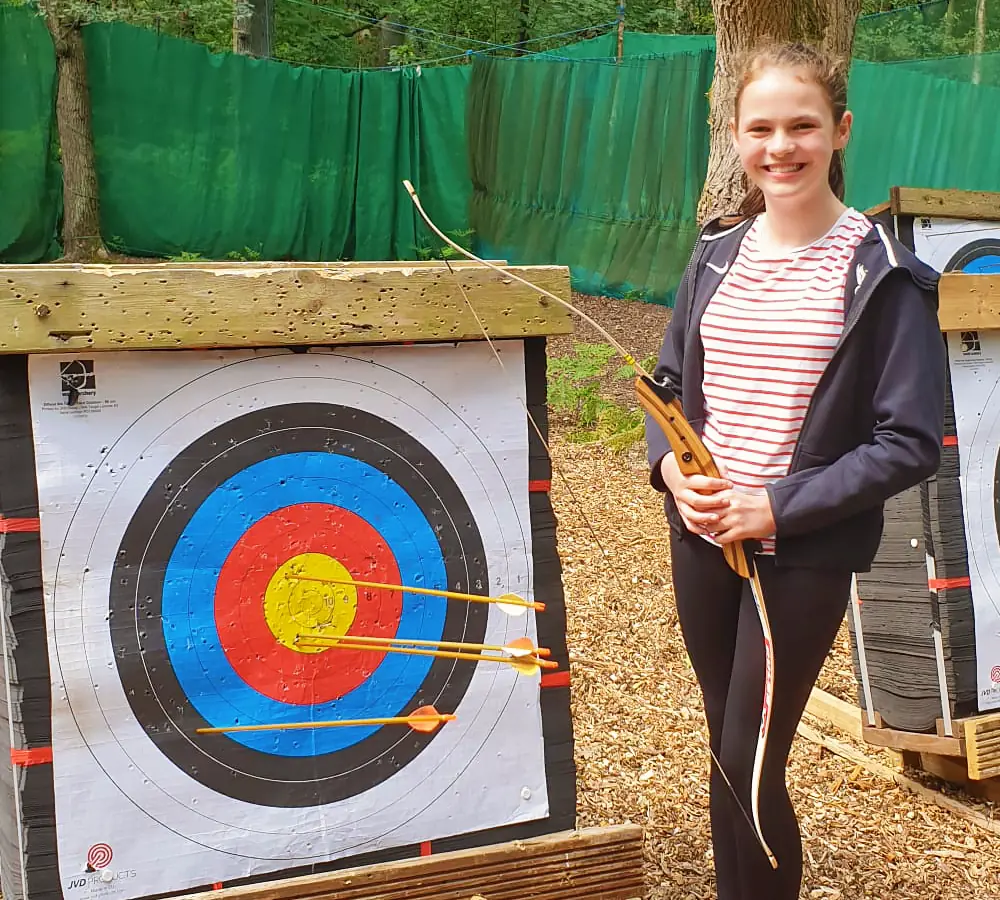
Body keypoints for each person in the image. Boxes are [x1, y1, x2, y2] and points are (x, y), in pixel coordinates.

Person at [643, 41, 946, 900]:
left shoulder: (884, 278)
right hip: (702, 537)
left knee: (749, 755)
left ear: (839, 131)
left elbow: (908, 440)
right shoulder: (714, 257)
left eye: (802, 126)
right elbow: (668, 390)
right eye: (761, 127)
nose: (782, 146)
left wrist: (775, 506)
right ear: (735, 137)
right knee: (724, 746)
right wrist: (671, 471)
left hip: (798, 551)